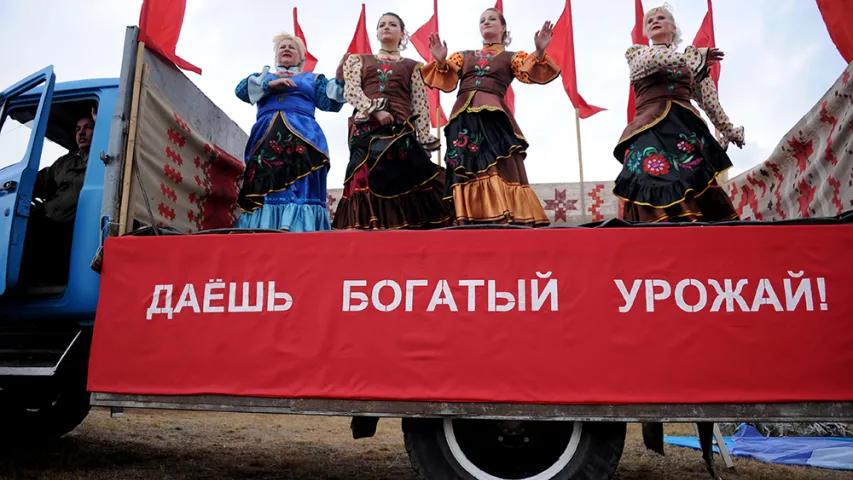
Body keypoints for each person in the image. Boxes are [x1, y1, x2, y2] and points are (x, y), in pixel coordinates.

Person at [421, 8, 560, 227]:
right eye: (482, 20)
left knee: (496, 162)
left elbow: (530, 73)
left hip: (493, 115)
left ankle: (500, 213)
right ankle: (466, 215)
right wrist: (439, 61)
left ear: (503, 28)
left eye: (492, 19)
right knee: (463, 164)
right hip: (462, 117)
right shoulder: (464, 55)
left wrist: (540, 52)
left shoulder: (512, 57)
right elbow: (445, 78)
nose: (486, 22)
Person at [614, 4, 744, 224]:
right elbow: (656, 60)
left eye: (661, 18)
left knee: (693, 182)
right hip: (649, 129)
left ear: (673, 27)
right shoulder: (637, 53)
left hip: (685, 132)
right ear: (646, 32)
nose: (654, 21)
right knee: (650, 176)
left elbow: (709, 102)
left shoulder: (694, 63)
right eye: (649, 21)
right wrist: (696, 57)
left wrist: (729, 130)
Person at [332, 12, 453, 230]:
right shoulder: (357, 60)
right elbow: (351, 92)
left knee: (405, 179)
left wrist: (424, 139)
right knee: (362, 177)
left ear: (402, 33)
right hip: (366, 129)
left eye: (393, 24)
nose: (386, 27)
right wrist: (375, 111)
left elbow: (420, 105)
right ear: (377, 33)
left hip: (401, 131)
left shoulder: (413, 66)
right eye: (382, 25)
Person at [235, 32, 346, 232]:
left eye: (291, 47)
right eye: (282, 47)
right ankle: (262, 229)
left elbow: (330, 102)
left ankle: (299, 228)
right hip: (266, 140)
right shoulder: (263, 77)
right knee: (264, 183)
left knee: (301, 184)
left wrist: (339, 80)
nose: (286, 49)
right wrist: (269, 85)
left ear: (301, 58)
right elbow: (241, 91)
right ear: (276, 56)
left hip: (305, 140)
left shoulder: (313, 79)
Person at [21, 108, 96, 287]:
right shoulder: (66, 161)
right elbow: (41, 182)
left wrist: (101, 121)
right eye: (78, 129)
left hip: (70, 227)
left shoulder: (104, 158)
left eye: (88, 127)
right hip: (46, 218)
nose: (81, 133)